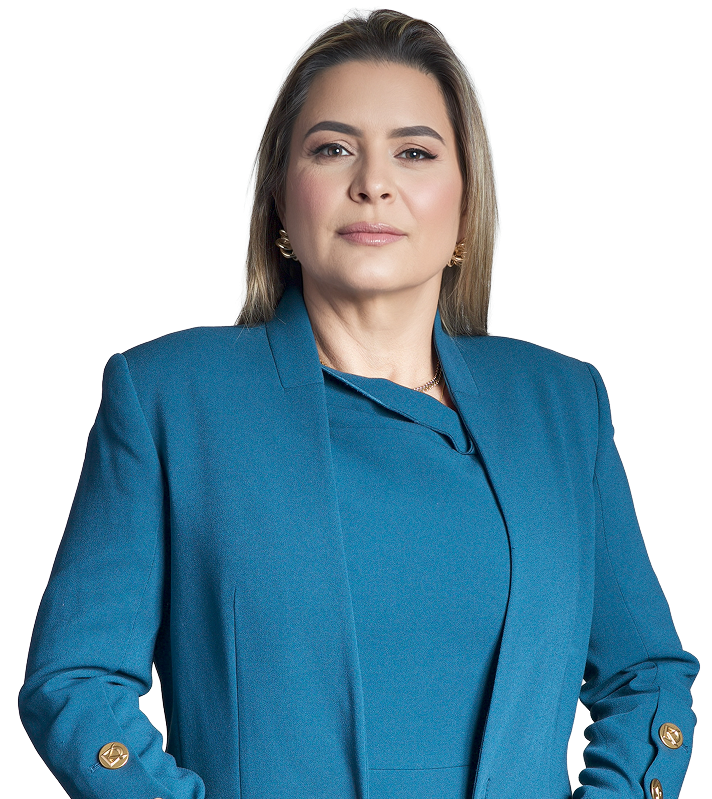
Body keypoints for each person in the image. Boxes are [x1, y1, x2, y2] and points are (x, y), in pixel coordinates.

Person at [18, 8, 699, 799]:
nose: (373, 183)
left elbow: (648, 673)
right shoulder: (168, 395)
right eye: (333, 148)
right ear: (280, 199)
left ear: (465, 203)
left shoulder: (562, 403)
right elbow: (75, 682)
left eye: (414, 152)